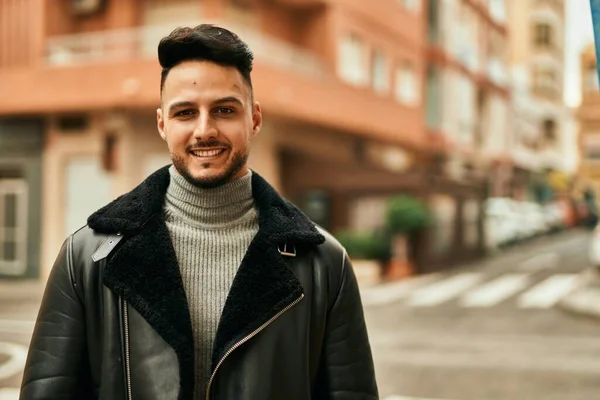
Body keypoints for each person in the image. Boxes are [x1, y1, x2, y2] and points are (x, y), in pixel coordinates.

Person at [20, 24, 378, 400]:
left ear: (254, 118)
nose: (204, 130)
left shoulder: (324, 265)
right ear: (162, 123)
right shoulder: (86, 258)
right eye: (185, 113)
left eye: (224, 110)